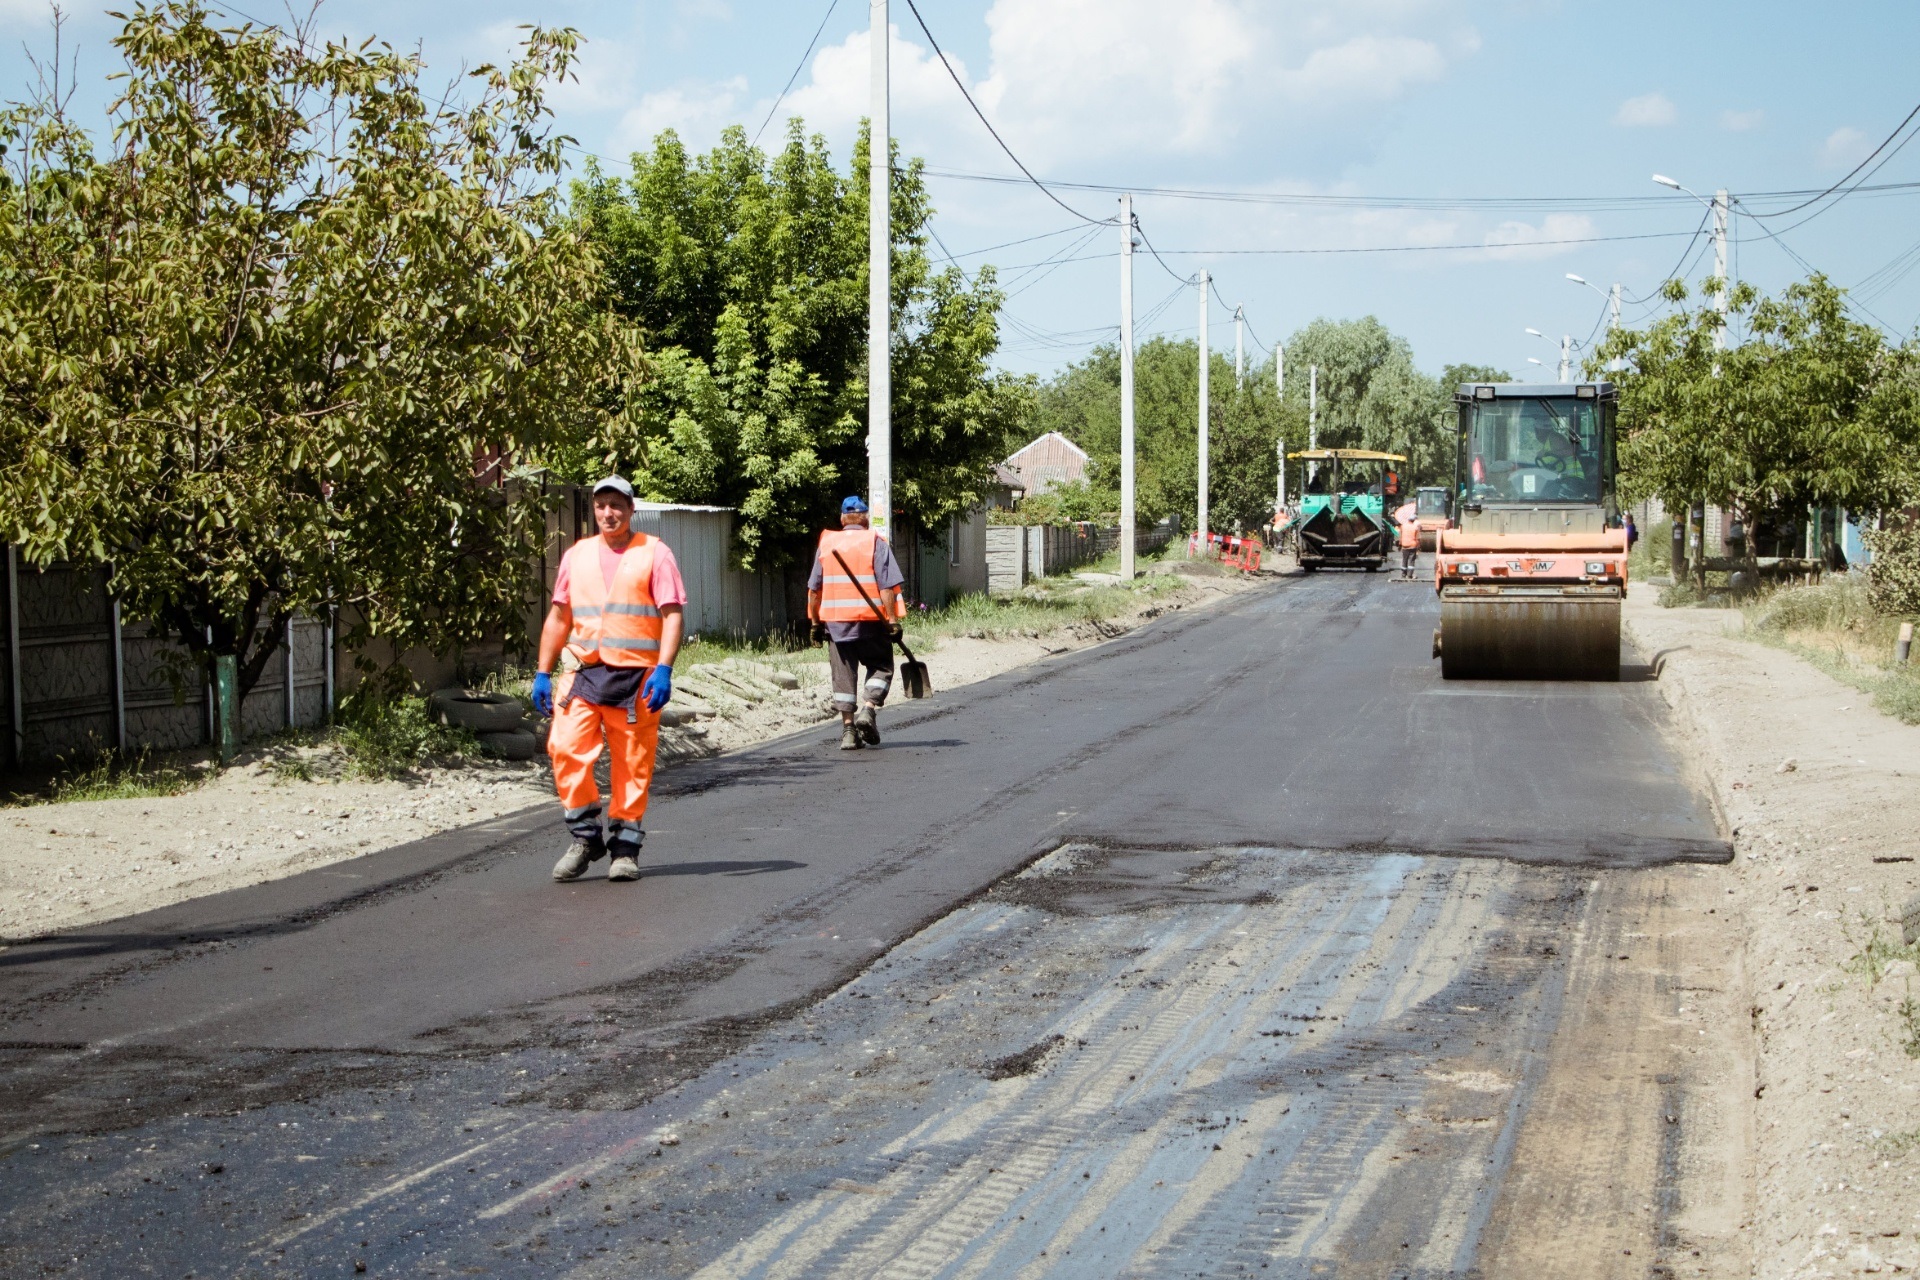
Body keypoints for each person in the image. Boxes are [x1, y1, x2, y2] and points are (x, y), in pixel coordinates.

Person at [531, 477, 687, 884]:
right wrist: (542, 672)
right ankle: (585, 838)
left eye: (616, 505)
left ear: (631, 509)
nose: (607, 513)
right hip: (583, 672)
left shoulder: (655, 553)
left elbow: (672, 615)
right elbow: (559, 616)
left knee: (632, 764)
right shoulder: (577, 555)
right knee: (564, 749)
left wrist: (665, 668)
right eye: (601, 505)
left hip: (637, 678)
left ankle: (625, 849)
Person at [808, 496, 904, 751]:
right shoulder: (875, 542)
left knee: (843, 678)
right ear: (865, 518)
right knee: (882, 666)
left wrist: (815, 624)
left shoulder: (826, 544)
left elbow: (814, 590)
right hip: (871, 623)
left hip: (837, 626)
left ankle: (849, 732)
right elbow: (886, 587)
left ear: (841, 519)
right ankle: (868, 709)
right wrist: (892, 621)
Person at [1393, 499, 1420, 580]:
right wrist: (1419, 547)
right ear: (1414, 520)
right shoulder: (1415, 527)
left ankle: (1403, 574)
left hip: (1405, 545)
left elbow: (1400, 537)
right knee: (1411, 561)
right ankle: (1410, 575)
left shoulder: (1403, 526)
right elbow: (1417, 538)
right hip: (1413, 546)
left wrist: (1400, 545)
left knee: (1404, 560)